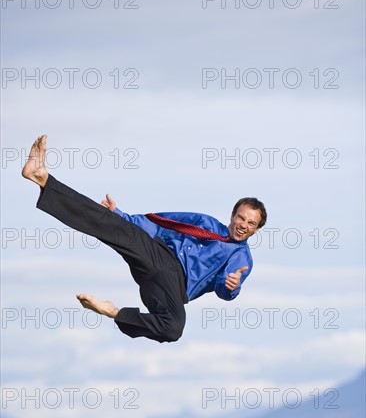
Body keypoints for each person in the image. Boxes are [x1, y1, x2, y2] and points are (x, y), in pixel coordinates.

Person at [22, 135, 267, 343]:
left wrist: (231, 287)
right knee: (109, 224)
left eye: (251, 224)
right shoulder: (205, 223)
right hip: (158, 255)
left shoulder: (241, 257)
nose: (243, 226)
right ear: (233, 215)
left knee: (174, 329)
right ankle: (42, 178)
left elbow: (224, 288)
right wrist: (120, 215)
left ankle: (113, 312)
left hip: (170, 288)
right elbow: (161, 224)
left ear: (256, 230)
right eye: (241, 218)